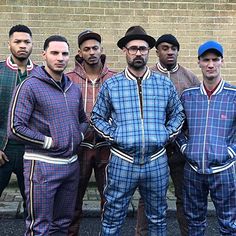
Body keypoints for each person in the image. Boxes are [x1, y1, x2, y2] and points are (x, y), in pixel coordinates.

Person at [91, 26, 185, 235]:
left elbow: (178, 114)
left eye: (143, 48)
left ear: (149, 51)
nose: (138, 53)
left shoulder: (163, 84)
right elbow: (96, 117)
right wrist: (115, 136)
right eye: (133, 48)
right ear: (125, 50)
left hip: (156, 162)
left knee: (158, 218)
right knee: (112, 217)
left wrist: (166, 135)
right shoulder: (112, 85)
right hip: (122, 161)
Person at [8, 35, 88, 235]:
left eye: (64, 53)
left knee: (62, 224)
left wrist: (78, 135)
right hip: (42, 166)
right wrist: (49, 141)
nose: (60, 58)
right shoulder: (30, 86)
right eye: (54, 53)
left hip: (71, 166)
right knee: (40, 227)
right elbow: (15, 127)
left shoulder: (72, 88)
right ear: (44, 55)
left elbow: (84, 120)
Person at [135, 34, 200, 236]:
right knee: (149, 198)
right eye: (165, 48)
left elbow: (195, 112)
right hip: (154, 150)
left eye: (174, 48)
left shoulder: (190, 77)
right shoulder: (146, 75)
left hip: (181, 150)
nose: (170, 51)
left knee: (185, 197)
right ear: (157, 51)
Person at [176, 40, 236, 235]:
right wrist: (186, 148)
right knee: (194, 224)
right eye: (206, 60)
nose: (210, 64)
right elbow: (177, 127)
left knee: (229, 224)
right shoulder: (188, 96)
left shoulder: (233, 95)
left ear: (222, 62)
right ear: (199, 62)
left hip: (224, 171)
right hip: (193, 171)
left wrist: (230, 151)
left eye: (215, 59)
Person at [66, 30, 116, 236]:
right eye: (86, 49)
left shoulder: (115, 78)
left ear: (101, 50)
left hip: (107, 147)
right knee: (73, 200)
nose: (91, 52)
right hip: (79, 148)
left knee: (109, 199)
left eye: (95, 48)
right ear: (80, 53)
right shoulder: (68, 79)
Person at [0, 24, 35, 218]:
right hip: (3, 148)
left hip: (29, 150)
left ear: (32, 45)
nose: (22, 45)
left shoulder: (40, 73)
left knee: (32, 205)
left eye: (26, 42)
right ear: (9, 44)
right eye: (17, 41)